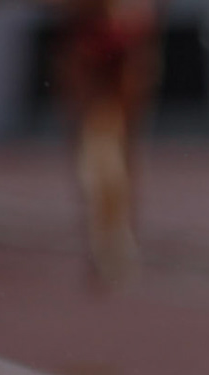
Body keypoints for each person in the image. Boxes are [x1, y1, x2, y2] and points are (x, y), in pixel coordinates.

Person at [51, 0, 158, 287]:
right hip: (93, 54)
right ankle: (108, 237)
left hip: (119, 54)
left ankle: (116, 234)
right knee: (99, 152)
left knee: (114, 152)